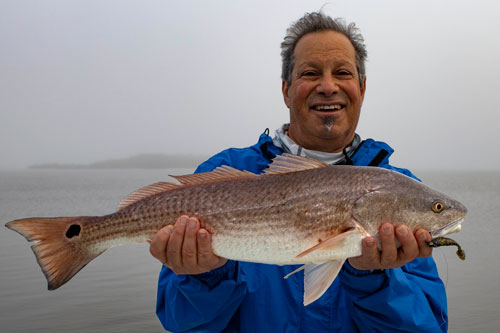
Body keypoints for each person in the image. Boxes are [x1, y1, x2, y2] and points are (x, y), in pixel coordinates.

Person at [149, 12, 447, 332]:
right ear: (286, 89)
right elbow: (180, 324)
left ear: (361, 87)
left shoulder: (400, 190)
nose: (328, 86)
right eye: (310, 73)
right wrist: (204, 277)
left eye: (342, 72)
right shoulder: (224, 173)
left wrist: (374, 280)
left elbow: (427, 327)